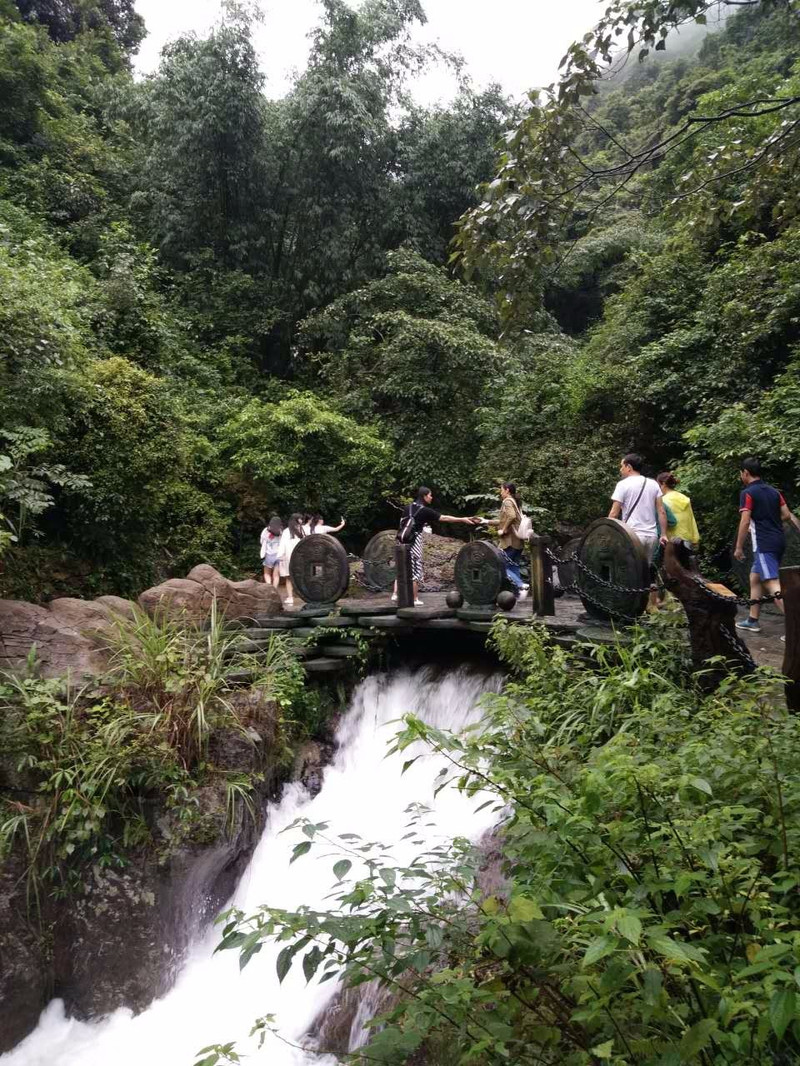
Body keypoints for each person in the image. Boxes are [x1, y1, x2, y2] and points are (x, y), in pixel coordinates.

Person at [734, 457, 800, 634]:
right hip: (778, 541)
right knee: (755, 577)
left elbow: (745, 521)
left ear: (745, 473)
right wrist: (770, 521)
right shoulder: (773, 491)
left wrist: (739, 547)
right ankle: (753, 620)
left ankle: (797, 627)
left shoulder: (747, 493)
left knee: (772, 584)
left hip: (764, 543)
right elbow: (786, 514)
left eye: (741, 473)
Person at [392, 487, 480, 606]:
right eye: (430, 495)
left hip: (401, 539)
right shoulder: (425, 510)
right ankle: (414, 599)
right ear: (424, 496)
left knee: (402, 567)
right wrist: (463, 519)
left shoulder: (407, 508)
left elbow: (402, 523)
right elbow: (444, 518)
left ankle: (395, 594)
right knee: (416, 569)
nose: (431, 497)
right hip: (414, 540)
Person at [608, 453, 668, 562]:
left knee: (629, 571)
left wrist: (608, 533)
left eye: (622, 466)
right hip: (651, 537)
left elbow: (614, 513)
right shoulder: (653, 484)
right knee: (644, 571)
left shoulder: (623, 485)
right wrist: (663, 534)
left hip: (632, 535)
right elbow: (661, 511)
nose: (621, 469)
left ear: (629, 467)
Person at [479, 482, 530, 599]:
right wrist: (486, 521)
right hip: (517, 541)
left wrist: (503, 530)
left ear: (507, 490)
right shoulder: (514, 502)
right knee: (513, 566)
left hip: (510, 542)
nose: (500, 492)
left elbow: (511, 517)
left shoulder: (507, 501)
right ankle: (518, 594)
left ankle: (520, 585)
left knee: (500, 566)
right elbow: (504, 520)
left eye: (501, 489)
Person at [657, 472, 700, 547]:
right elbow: (691, 519)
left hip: (672, 540)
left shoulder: (663, 501)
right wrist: (695, 538)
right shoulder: (684, 498)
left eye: (659, 485)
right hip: (686, 538)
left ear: (663, 484)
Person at [278, 513, 306, 606]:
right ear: (296, 520)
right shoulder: (300, 530)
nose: (302, 521)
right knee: (298, 577)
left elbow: (282, 545)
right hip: (298, 557)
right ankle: (303, 596)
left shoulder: (288, 531)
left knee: (289, 578)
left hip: (290, 557)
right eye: (300, 519)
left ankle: (290, 597)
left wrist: (280, 556)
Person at [259, 515, 283, 587]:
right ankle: (275, 590)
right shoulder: (281, 531)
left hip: (269, 555)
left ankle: (269, 588)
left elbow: (261, 541)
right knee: (276, 576)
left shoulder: (266, 530)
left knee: (267, 574)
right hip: (278, 555)